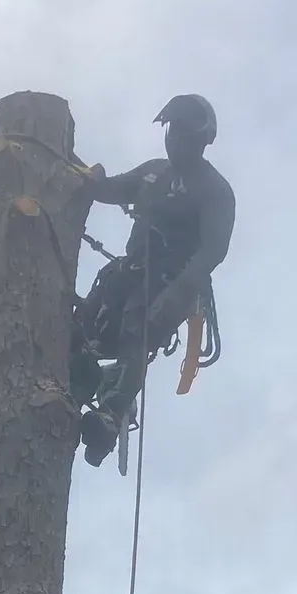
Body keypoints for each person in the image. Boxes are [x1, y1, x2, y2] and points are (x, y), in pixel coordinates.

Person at [72, 94, 235, 466]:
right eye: (172, 131)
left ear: (201, 141)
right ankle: (81, 383)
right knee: (83, 327)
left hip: (169, 281)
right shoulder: (154, 174)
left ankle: (111, 414)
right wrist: (86, 176)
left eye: (183, 134)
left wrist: (177, 295)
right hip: (131, 270)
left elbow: (212, 251)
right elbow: (109, 189)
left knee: (136, 326)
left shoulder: (213, 191)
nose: (175, 140)